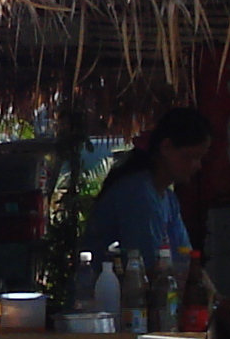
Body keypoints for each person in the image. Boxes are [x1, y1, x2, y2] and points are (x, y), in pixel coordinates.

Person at [84, 108, 215, 260]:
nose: (197, 165)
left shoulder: (168, 198)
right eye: (192, 157)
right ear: (166, 147)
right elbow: (146, 264)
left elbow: (184, 256)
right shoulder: (137, 193)